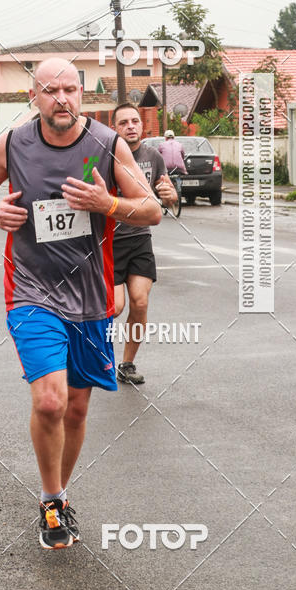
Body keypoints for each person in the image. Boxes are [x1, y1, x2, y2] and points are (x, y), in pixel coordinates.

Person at [0, 58, 162, 550]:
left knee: (76, 408)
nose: (61, 98)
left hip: (91, 299)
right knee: (50, 399)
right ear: (34, 96)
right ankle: (51, 500)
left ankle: (61, 493)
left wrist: (108, 205)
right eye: (50, 90)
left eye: (70, 89)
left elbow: (153, 209)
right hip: (31, 291)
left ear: (81, 95)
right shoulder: (13, 143)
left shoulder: (106, 143)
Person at [111, 105, 177, 385]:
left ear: (142, 126)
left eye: (135, 121)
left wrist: (171, 194)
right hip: (108, 243)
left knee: (139, 302)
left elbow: (167, 198)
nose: (130, 126)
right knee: (114, 307)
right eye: (123, 122)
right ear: (114, 128)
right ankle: (91, 357)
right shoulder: (102, 155)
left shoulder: (153, 156)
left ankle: (126, 365)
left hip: (139, 239)